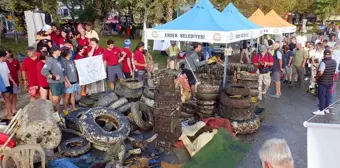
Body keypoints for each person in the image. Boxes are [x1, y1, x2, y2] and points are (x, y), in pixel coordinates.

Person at [313, 49, 336, 115]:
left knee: (322, 95)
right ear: (330, 54)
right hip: (330, 81)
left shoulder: (324, 62)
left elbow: (321, 72)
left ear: (324, 54)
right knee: (328, 95)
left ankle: (321, 110)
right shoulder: (334, 61)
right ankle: (326, 109)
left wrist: (316, 77)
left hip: (323, 81)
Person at [42, 46, 65, 113]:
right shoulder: (50, 60)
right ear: (54, 52)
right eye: (59, 50)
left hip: (61, 81)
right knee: (56, 99)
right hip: (54, 83)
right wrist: (53, 77)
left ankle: (58, 112)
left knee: (59, 98)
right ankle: (53, 112)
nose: (60, 51)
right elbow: (44, 71)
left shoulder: (58, 59)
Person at [0, 50, 18, 119]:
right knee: (6, 99)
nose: (7, 57)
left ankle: (9, 113)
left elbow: (8, 73)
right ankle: (8, 113)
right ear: (2, 57)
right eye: (5, 56)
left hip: (7, 83)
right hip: (1, 84)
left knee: (8, 99)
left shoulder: (4, 63)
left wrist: (13, 81)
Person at [61, 49, 78, 115]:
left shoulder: (71, 61)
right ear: (67, 54)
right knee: (67, 95)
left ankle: (73, 108)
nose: (71, 53)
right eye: (70, 52)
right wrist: (67, 82)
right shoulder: (64, 62)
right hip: (69, 81)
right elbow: (64, 74)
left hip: (74, 80)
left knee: (72, 95)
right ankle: (65, 109)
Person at [5, 50, 21, 114]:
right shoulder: (4, 62)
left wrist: (20, 78)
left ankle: (14, 108)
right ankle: (9, 109)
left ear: (10, 53)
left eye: (7, 53)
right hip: (7, 82)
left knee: (14, 95)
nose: (6, 55)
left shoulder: (16, 61)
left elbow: (18, 70)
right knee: (8, 96)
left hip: (15, 80)